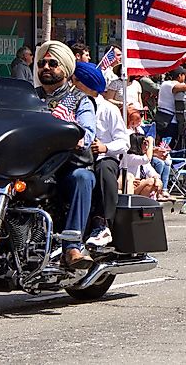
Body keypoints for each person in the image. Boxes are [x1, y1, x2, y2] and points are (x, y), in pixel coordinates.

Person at [34, 40, 97, 269]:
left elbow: (88, 131)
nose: (46, 67)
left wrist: (79, 139)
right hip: (33, 167)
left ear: (66, 69)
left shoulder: (79, 99)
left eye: (53, 63)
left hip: (67, 166)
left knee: (82, 178)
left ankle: (72, 245)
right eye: (42, 63)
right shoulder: (29, 98)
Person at [71, 62, 130, 248]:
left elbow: (124, 142)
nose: (71, 85)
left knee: (104, 170)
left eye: (75, 81)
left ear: (85, 85)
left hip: (103, 158)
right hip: (75, 156)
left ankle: (101, 223)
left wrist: (105, 147)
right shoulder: (69, 104)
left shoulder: (108, 109)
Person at [155, 67, 186, 147]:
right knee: (166, 144)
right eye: (183, 75)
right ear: (179, 76)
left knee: (172, 144)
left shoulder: (171, 84)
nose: (185, 77)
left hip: (171, 120)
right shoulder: (167, 84)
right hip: (168, 121)